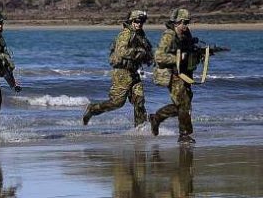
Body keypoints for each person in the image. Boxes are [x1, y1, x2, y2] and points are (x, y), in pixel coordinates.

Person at [83, 10, 153, 127]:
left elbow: (147, 52)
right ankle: (92, 109)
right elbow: (121, 52)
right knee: (117, 103)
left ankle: (140, 127)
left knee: (139, 101)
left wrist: (149, 58)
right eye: (137, 21)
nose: (139, 24)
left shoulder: (141, 35)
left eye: (142, 22)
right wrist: (138, 52)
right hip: (122, 73)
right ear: (131, 21)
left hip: (133, 72)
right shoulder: (125, 34)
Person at [149, 8, 203, 144]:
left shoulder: (186, 34)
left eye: (187, 22)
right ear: (176, 22)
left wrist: (197, 54)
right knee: (183, 104)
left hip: (185, 74)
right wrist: (178, 58)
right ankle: (184, 134)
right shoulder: (169, 35)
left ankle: (157, 117)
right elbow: (159, 56)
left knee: (184, 104)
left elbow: (188, 49)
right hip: (173, 75)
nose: (185, 25)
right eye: (183, 22)